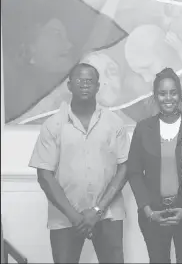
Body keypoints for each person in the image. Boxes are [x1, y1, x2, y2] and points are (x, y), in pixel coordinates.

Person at [28, 63, 130, 263]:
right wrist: (75, 216)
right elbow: (44, 175)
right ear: (69, 85)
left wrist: (97, 210)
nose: (85, 85)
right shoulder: (53, 125)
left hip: (108, 214)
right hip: (64, 218)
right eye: (79, 80)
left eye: (90, 81)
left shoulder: (114, 122)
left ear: (98, 86)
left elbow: (124, 168)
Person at [127, 68, 182, 263]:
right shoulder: (143, 128)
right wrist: (148, 211)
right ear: (155, 96)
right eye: (163, 93)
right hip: (154, 214)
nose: (168, 98)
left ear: (179, 94)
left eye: (173, 93)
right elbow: (133, 172)